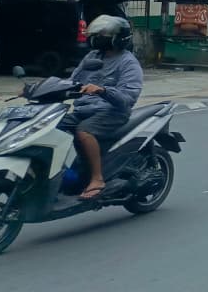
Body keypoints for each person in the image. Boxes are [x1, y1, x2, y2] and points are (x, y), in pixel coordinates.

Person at [57, 15, 144, 200]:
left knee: (84, 132)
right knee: (51, 126)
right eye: (97, 35)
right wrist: (42, 87)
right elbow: (73, 80)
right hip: (84, 110)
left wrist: (103, 90)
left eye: (103, 35)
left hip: (112, 112)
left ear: (118, 38)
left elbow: (128, 97)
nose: (97, 39)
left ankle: (97, 179)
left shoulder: (128, 62)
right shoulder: (92, 57)